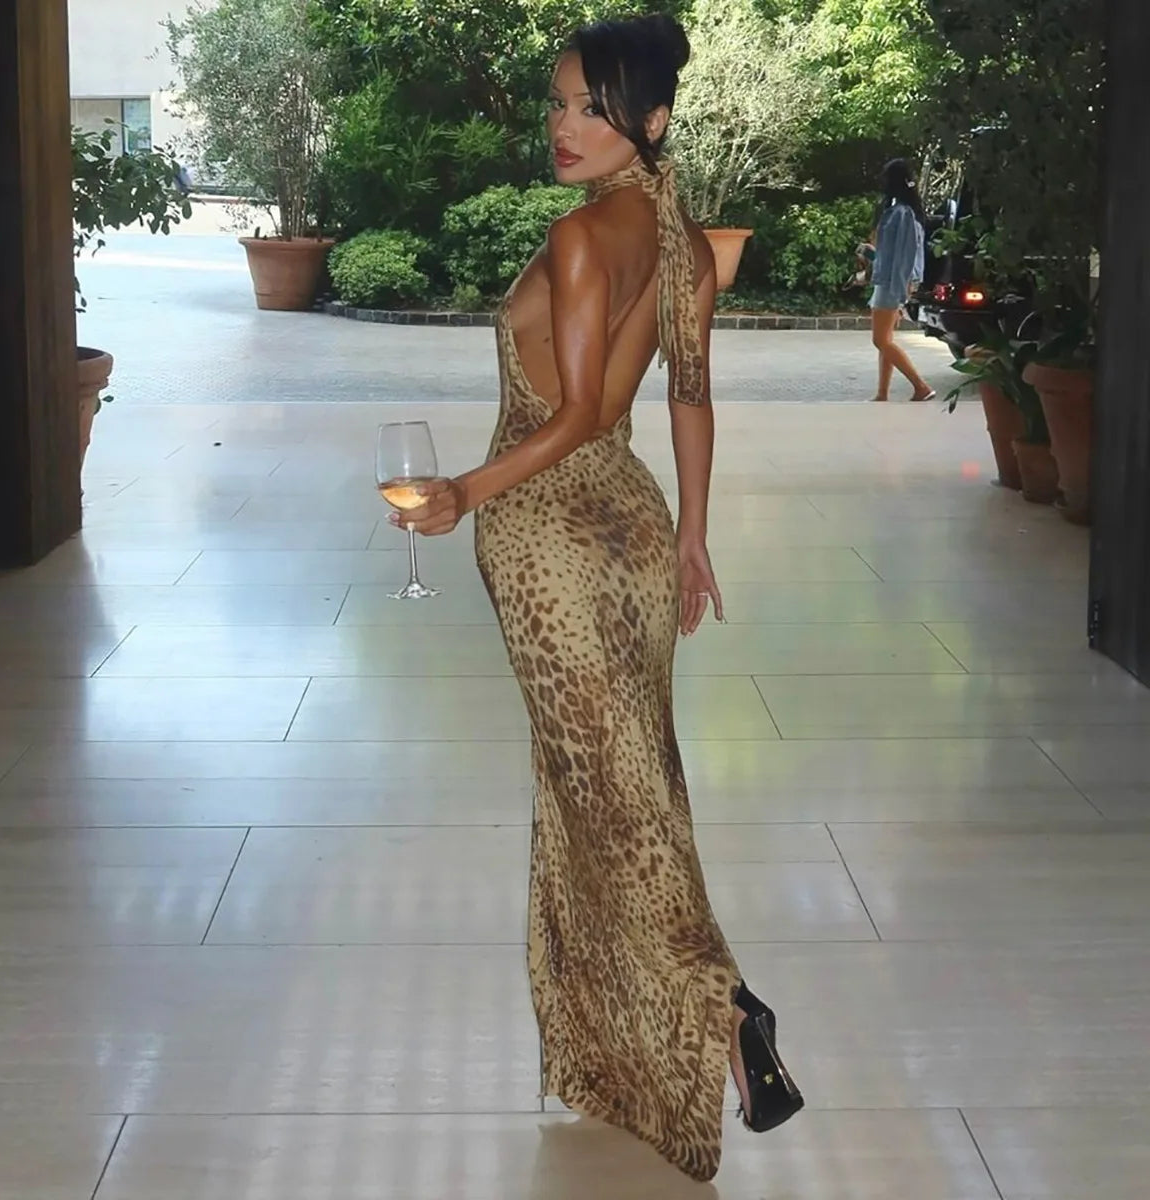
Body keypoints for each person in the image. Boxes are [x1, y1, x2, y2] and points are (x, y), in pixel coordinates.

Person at [397, 14, 802, 1181]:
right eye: (559, 103)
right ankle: (614, 1058)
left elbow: (572, 414)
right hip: (628, 527)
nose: (562, 126)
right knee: (629, 784)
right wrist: (691, 539)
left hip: (550, 543)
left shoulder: (584, 241)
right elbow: (690, 395)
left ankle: (724, 1013)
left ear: (652, 121)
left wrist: (463, 491)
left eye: (587, 106)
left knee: (610, 808)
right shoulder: (678, 235)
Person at [869, 159, 935, 403]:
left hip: (891, 284)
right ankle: (882, 393)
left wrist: (900, 290)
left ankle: (921, 386)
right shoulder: (897, 211)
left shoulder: (903, 214)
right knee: (886, 341)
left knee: (881, 340)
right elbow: (890, 253)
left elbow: (905, 255)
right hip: (887, 281)